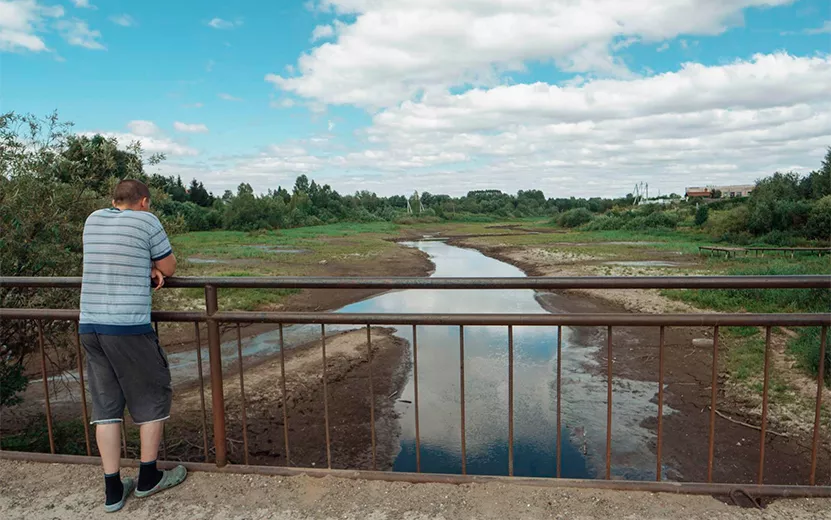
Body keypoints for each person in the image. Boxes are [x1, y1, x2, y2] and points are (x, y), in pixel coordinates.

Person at [80, 179, 186, 512]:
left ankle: (113, 490)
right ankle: (148, 477)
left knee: (106, 406)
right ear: (143, 201)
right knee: (153, 393)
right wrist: (154, 268)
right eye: (148, 204)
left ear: (114, 199)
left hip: (90, 326)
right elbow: (169, 266)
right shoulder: (146, 220)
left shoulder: (93, 219)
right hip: (127, 326)